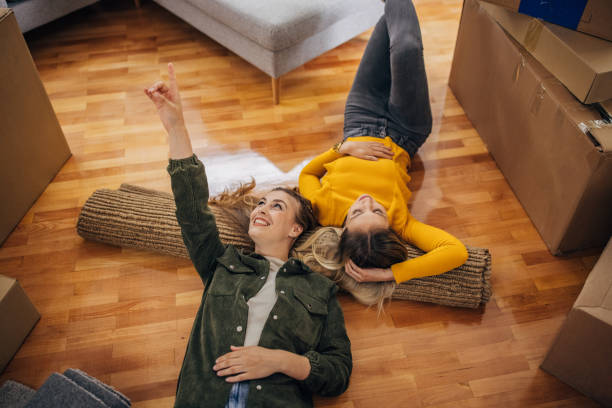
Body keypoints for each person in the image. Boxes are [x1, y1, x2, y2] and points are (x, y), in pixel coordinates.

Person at [145, 63, 352, 408]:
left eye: (276, 207)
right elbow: (193, 211)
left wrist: (278, 360)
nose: (260, 209)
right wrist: (177, 127)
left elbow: (338, 372)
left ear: (296, 229)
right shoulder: (221, 263)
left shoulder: (320, 290)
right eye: (260, 203)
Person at [299, 0, 468, 285]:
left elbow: (307, 174)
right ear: (388, 225)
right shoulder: (401, 222)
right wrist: (392, 273)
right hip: (407, 128)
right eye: (377, 211)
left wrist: (342, 149)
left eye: (356, 213)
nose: (366, 202)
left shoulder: (322, 208)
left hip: (360, 115)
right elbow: (455, 252)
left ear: (342, 229)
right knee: (405, 47)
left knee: (389, 23)